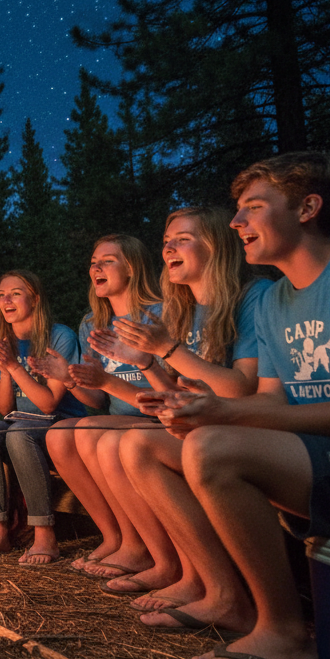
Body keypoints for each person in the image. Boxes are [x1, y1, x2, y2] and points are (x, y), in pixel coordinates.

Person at [139, 152, 330, 659]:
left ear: (307, 207)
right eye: (237, 212)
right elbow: (277, 400)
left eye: (253, 208)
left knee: (215, 449)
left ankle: (284, 629)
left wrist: (223, 420)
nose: (237, 224)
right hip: (329, 458)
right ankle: (236, 599)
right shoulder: (279, 298)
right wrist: (210, 410)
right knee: (207, 435)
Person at [97, 208, 268, 613]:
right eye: (166, 242)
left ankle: (223, 592)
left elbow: (241, 389)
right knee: (129, 445)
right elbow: (176, 389)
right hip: (205, 427)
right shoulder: (185, 309)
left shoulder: (252, 296)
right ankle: (192, 576)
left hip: (248, 427)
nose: (169, 247)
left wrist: (164, 350)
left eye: (183, 239)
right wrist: (144, 364)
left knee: (135, 443)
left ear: (217, 247)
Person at [33, 235, 168, 576]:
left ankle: (138, 547)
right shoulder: (92, 324)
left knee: (96, 435)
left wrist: (113, 377)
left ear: (132, 268)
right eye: (93, 262)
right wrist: (68, 378)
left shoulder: (162, 313)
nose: (96, 267)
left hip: (159, 418)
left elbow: (172, 390)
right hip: (119, 417)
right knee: (59, 436)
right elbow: (96, 401)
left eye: (107, 260)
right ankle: (114, 536)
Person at [0, 271, 87, 564]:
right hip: (18, 422)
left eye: (16, 293)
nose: (6, 300)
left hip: (59, 424)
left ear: (35, 299)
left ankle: (44, 534)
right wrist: (5, 369)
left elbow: (48, 404)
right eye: (1, 295)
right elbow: (3, 407)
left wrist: (14, 365)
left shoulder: (59, 336)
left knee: (19, 433)